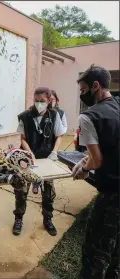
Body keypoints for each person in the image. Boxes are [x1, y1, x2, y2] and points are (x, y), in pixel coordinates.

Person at [72, 65, 120, 279]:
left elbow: (97, 160)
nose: (82, 95)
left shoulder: (88, 116)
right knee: (116, 246)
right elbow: (107, 149)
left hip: (112, 194)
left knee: (96, 251)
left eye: (83, 90)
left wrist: (83, 168)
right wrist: (87, 159)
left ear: (95, 86)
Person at [14, 86, 65, 236]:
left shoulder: (54, 116)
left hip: (46, 158)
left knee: (48, 192)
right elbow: (22, 138)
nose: (39, 104)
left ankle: (47, 219)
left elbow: (59, 136)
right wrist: (29, 154)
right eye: (36, 101)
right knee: (21, 190)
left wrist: (54, 152)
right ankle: (18, 218)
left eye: (42, 101)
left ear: (49, 100)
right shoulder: (25, 116)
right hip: (27, 160)